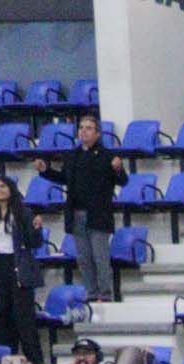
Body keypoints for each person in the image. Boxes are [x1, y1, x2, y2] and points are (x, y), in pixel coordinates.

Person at [31, 115, 125, 302]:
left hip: (98, 214)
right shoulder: (72, 155)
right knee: (83, 258)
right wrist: (45, 170)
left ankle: (105, 294)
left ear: (98, 134)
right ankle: (91, 293)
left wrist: (118, 169)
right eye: (81, 127)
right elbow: (64, 178)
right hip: (76, 213)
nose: (83, 131)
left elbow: (122, 181)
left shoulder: (107, 156)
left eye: (89, 128)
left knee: (100, 257)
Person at [0, 176, 45, 364]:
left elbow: (34, 243)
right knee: (1, 317)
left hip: (18, 266)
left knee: (23, 319)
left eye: (2, 186)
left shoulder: (23, 212)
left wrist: (37, 229)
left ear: (11, 189)